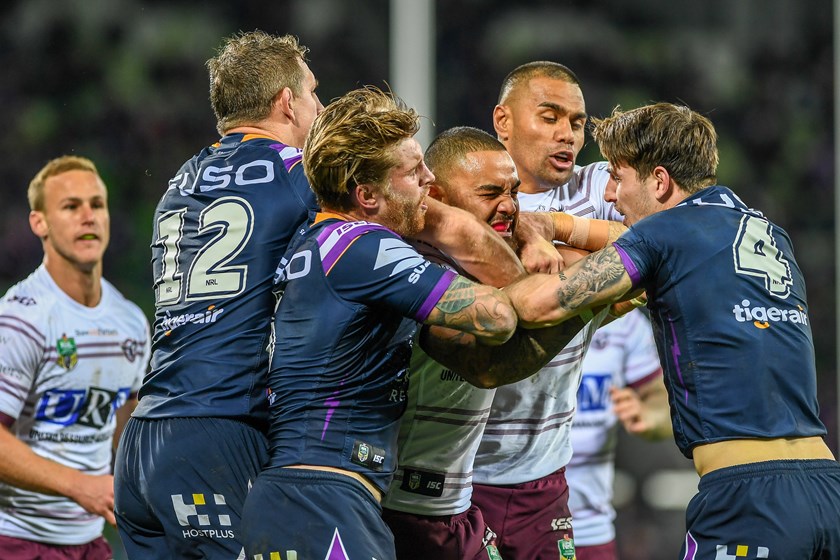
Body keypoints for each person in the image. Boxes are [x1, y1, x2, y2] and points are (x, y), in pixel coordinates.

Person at [239, 88, 588, 560]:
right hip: (324, 494)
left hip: (312, 489)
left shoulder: (315, 239)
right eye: (414, 171)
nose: (429, 183)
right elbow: (500, 317)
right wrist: (589, 286)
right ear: (366, 195)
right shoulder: (365, 247)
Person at [504, 101, 840, 559]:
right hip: (825, 488)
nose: (608, 195)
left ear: (659, 182)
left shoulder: (664, 236)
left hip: (750, 501)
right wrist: (553, 224)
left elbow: (540, 306)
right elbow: (650, 241)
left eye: (618, 178)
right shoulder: (766, 232)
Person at [113, 31, 324, 559]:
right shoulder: (299, 174)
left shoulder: (179, 182)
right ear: (287, 101)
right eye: (315, 93)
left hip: (144, 440)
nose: (321, 108)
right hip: (220, 432)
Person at [469, 60, 624, 560]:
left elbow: (667, 244)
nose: (567, 135)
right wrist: (591, 282)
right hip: (457, 467)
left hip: (545, 472)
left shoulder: (601, 190)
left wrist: (554, 229)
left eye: (577, 124)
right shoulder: (461, 185)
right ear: (503, 121)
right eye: (550, 117)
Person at [0, 155, 150, 560]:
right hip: (16, 540)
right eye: (70, 207)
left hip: (89, 542)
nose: (88, 216)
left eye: (96, 204)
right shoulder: (21, 318)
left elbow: (125, 433)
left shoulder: (131, 323)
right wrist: (79, 485)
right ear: (39, 223)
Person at [567, 308, 670, 560]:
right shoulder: (505, 309)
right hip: (496, 514)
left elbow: (663, 403)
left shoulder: (625, 322)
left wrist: (648, 414)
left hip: (588, 526)